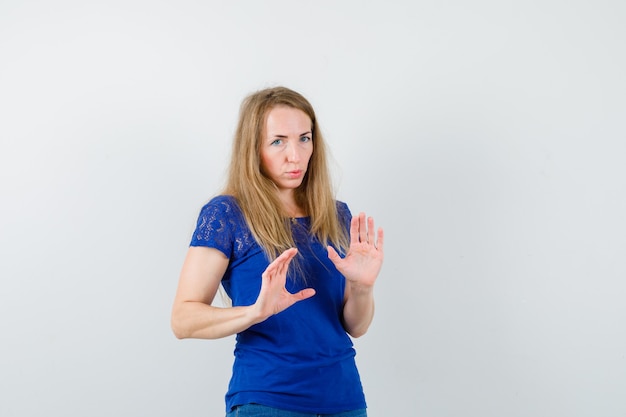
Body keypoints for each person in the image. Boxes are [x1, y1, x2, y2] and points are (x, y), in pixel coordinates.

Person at [171, 86, 384, 417]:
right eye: (278, 141)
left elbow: (356, 326)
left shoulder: (336, 214)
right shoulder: (227, 214)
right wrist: (254, 312)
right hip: (267, 399)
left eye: (304, 138)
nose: (295, 155)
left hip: (344, 399)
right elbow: (183, 320)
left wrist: (362, 287)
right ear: (254, 148)